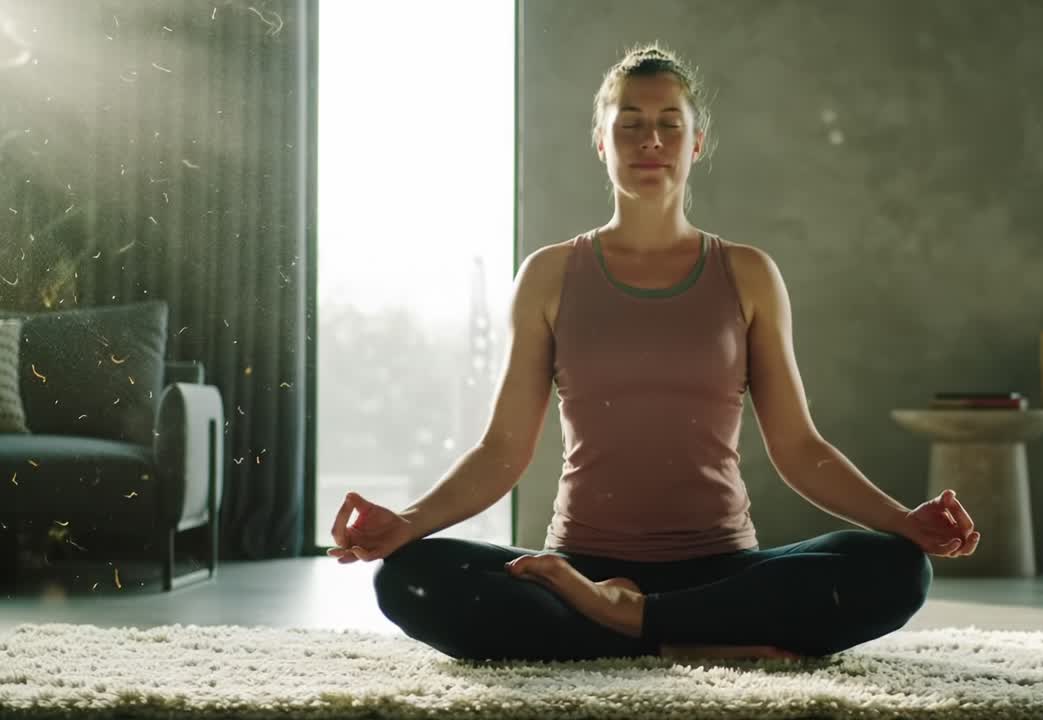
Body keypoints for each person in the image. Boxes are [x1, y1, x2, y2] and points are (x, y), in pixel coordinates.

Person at [329, 43, 981, 663]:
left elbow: (799, 448)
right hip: (576, 569)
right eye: (630, 123)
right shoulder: (550, 275)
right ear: (601, 142)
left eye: (670, 125)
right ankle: (686, 633)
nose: (650, 141)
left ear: (696, 144)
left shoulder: (747, 273)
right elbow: (502, 450)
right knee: (409, 577)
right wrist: (405, 524)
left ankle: (627, 624)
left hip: (722, 569)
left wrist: (905, 522)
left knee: (896, 569)